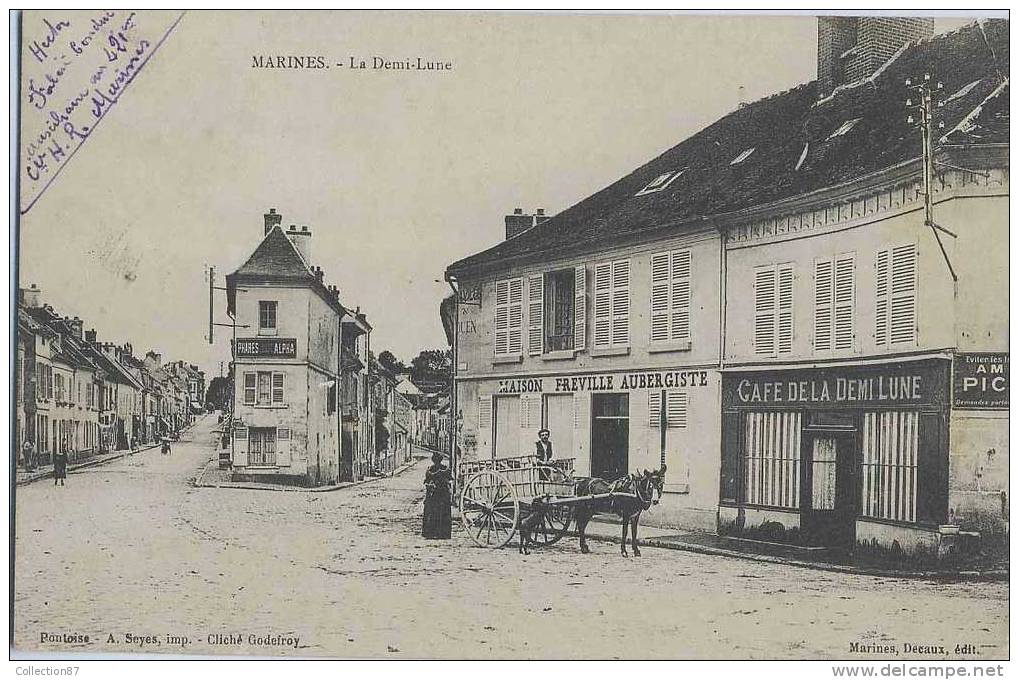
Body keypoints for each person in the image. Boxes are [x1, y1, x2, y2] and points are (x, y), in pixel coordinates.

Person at [422, 451, 452, 539]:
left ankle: (431, 532)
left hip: (434, 495)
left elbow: (426, 481)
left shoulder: (430, 470)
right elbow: (450, 479)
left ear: (433, 460)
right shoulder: (445, 469)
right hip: (443, 495)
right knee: (443, 512)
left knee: (432, 512)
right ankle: (443, 533)